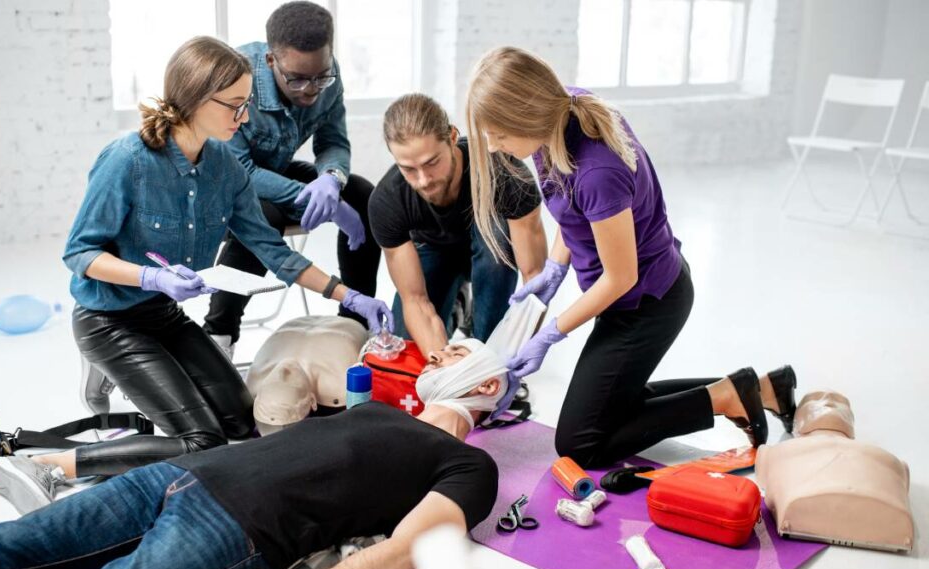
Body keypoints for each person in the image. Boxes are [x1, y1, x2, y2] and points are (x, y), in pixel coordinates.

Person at [29, 36, 391, 506]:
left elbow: (269, 248)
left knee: (245, 422)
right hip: (110, 322)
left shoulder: (224, 165)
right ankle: (53, 465)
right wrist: (153, 276)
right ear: (197, 99)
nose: (243, 119)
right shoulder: (127, 160)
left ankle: (143, 459)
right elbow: (79, 253)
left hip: (163, 317)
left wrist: (349, 296)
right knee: (204, 440)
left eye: (245, 106)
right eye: (235, 107)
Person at [465, 47, 798, 468]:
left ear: (528, 115)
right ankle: (759, 388)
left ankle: (726, 397)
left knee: (581, 444)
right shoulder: (560, 111)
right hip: (631, 296)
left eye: (499, 134)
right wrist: (556, 267)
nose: (493, 146)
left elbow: (620, 276)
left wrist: (549, 334)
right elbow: (573, 211)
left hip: (648, 303)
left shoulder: (596, 171)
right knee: (603, 411)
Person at [0, 344, 503, 569]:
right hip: (174, 479)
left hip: (237, 530)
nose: (439, 349)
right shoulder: (369, 407)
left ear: (481, 386)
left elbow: (402, 553)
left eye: (459, 349)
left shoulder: (471, 467)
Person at [204, 0, 382, 358]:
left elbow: (332, 142)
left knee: (363, 195)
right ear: (271, 61)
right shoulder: (235, 81)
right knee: (262, 215)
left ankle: (355, 321)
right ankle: (220, 334)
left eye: (321, 75)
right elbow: (242, 174)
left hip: (274, 172)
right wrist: (319, 202)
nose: (311, 89)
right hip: (221, 186)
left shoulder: (326, 75)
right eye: (297, 78)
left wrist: (331, 179)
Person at [370, 93, 547, 356]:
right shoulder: (388, 200)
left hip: (493, 253)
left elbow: (534, 278)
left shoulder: (505, 173)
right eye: (409, 169)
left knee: (494, 243)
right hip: (434, 249)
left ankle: (486, 342)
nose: (423, 180)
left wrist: (507, 360)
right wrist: (443, 365)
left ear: (452, 137)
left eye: (432, 163)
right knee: (411, 348)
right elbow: (415, 300)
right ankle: (459, 305)